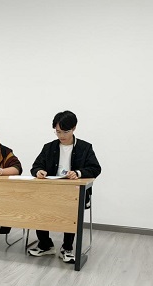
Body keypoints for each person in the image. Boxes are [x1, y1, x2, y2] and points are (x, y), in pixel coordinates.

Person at [27, 110, 102, 263]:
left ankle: (67, 248)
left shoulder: (85, 148)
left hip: (74, 192)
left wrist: (78, 173)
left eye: (65, 131)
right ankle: (45, 245)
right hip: (51, 191)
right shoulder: (49, 147)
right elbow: (35, 166)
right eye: (58, 131)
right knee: (38, 204)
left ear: (74, 128)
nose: (61, 135)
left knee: (72, 207)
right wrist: (39, 171)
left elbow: (95, 168)